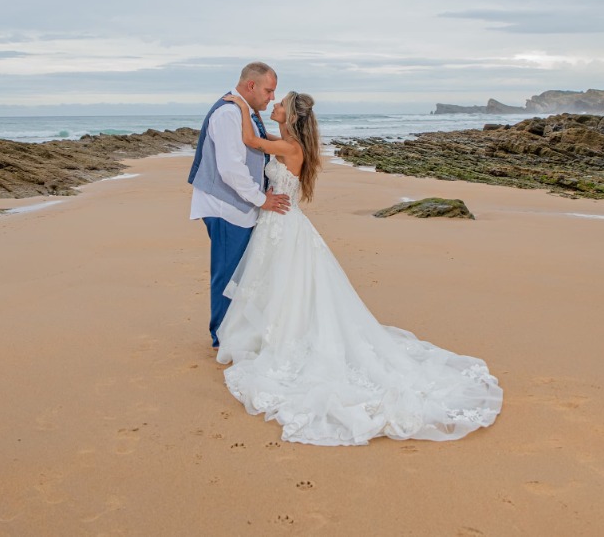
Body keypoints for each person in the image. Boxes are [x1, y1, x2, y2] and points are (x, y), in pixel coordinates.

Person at [214, 90, 503, 446]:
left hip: (283, 223)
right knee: (283, 284)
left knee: (287, 282)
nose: (273, 105)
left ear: (288, 115)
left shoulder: (290, 149)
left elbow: (248, 140)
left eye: (278, 103)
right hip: (279, 222)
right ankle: (272, 333)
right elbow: (258, 142)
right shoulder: (287, 142)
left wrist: (241, 104)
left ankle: (279, 338)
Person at [188, 62, 291, 349]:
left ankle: (233, 329)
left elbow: (255, 145)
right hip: (224, 207)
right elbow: (230, 169)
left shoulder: (244, 111)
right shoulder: (228, 113)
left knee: (239, 273)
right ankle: (221, 337)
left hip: (237, 206)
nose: (272, 97)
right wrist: (262, 200)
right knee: (226, 272)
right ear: (251, 86)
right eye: (269, 91)